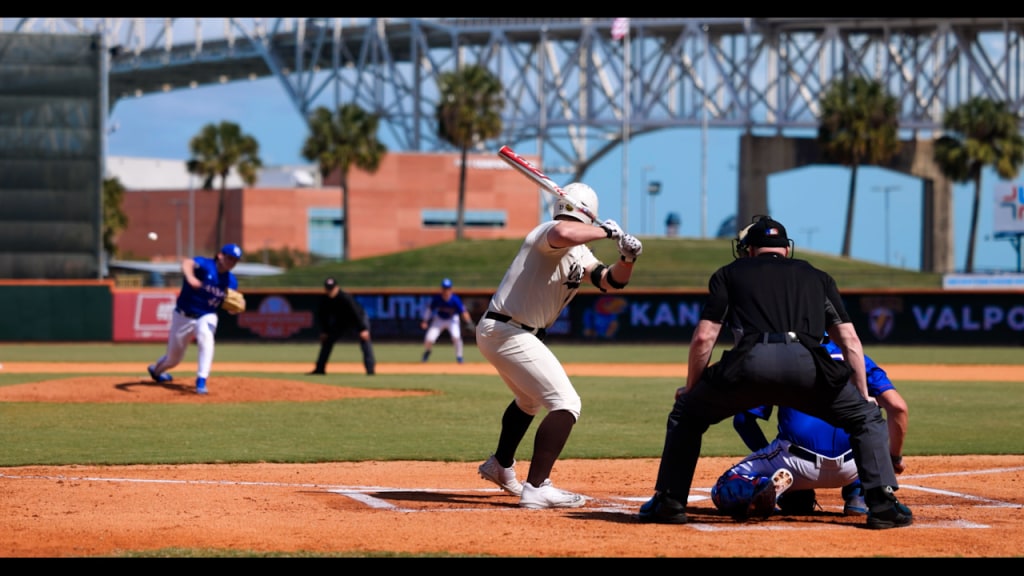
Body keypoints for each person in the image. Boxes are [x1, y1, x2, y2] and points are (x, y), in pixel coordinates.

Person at [638, 215, 913, 529]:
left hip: (749, 363)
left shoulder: (729, 273)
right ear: (786, 249)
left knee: (687, 415)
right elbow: (850, 341)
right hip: (808, 364)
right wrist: (862, 397)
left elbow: (704, 338)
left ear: (750, 249)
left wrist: (693, 389)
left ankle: (669, 503)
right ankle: (881, 505)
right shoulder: (817, 276)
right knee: (865, 418)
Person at [475, 182, 643, 509]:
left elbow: (609, 281)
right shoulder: (548, 232)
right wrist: (605, 232)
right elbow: (564, 233)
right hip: (508, 329)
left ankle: (500, 465)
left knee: (528, 400)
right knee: (566, 402)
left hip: (508, 332)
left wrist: (627, 257)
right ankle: (537, 487)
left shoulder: (580, 250)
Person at [712, 335, 909, 519]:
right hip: (854, 466)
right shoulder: (858, 359)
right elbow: (898, 408)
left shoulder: (782, 361)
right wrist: (892, 459)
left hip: (794, 462)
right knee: (869, 420)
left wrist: (772, 464)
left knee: (723, 485)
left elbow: (743, 421)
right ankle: (859, 492)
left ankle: (766, 487)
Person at [147, 243, 243, 395]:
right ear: (220, 255)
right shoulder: (205, 265)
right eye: (229, 258)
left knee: (206, 336)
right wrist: (191, 277)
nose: (232, 262)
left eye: (235, 260)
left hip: (207, 315)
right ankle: (156, 371)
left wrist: (234, 309)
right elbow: (187, 263)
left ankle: (201, 380)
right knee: (173, 359)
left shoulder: (231, 281)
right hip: (183, 316)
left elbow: (228, 305)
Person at [308, 277, 376, 376]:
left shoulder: (345, 297)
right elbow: (322, 316)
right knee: (327, 341)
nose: (330, 291)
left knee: (365, 340)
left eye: (332, 288)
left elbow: (356, 312)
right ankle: (320, 369)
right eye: (328, 288)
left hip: (357, 320)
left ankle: (370, 370)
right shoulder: (325, 299)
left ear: (337, 288)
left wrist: (363, 329)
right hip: (341, 322)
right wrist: (325, 331)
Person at [420, 278, 475, 364]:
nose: (446, 290)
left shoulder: (455, 299)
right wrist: (425, 321)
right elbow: (429, 309)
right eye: (444, 288)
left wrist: (469, 322)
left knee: (456, 337)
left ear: (451, 289)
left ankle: (459, 357)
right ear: (442, 289)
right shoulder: (437, 298)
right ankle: (427, 351)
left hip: (452, 319)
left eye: (448, 288)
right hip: (439, 319)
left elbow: (463, 312)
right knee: (429, 339)